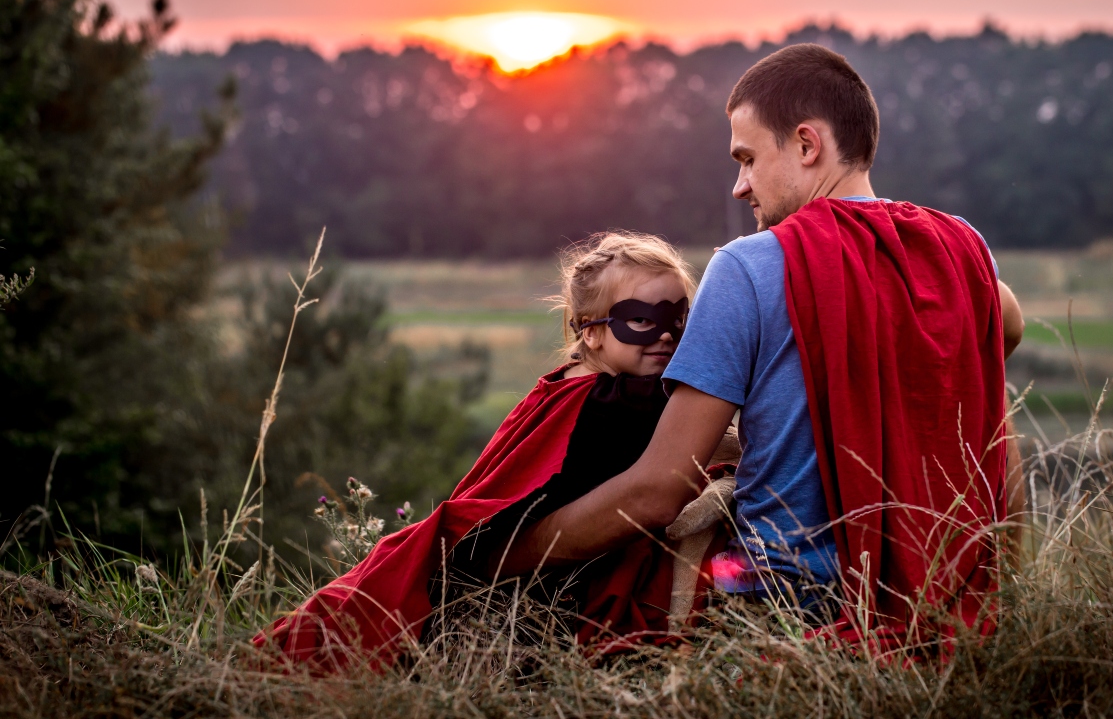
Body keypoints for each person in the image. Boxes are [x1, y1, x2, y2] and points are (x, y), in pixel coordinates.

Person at [499, 44, 1025, 649]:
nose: (738, 187)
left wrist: (507, 556)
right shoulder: (961, 252)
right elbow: (1005, 325)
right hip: (947, 597)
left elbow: (657, 490)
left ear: (807, 145)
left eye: (747, 159)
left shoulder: (749, 266)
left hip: (785, 604)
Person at [253, 231, 709, 671]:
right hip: (535, 580)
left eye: (680, 320)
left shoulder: (576, 384)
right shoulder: (621, 400)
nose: (666, 335)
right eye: (642, 321)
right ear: (592, 333)